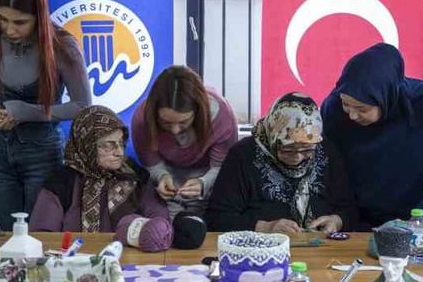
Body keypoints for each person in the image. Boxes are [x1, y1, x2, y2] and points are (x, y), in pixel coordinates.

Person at [0, 0, 91, 226]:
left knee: (40, 232)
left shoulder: (62, 45)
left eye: (20, 22)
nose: (9, 29)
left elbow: (82, 105)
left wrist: (28, 112)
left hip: (42, 152)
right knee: (6, 231)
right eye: (2, 19)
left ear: (39, 17)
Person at [321, 44, 423, 229]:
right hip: (357, 224)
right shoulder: (334, 108)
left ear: (386, 97)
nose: (351, 115)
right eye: (346, 105)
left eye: (362, 109)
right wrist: (339, 216)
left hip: (417, 222)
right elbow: (326, 170)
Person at [206, 93, 356, 234]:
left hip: (320, 247)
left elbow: (349, 209)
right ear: (273, 137)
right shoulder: (244, 155)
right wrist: (265, 227)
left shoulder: (327, 152)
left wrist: (337, 221)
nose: (297, 157)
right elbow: (217, 218)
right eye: (288, 149)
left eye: (307, 150)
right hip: (262, 250)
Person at [31, 105, 168, 233]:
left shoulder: (135, 175)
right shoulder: (61, 181)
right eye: (109, 145)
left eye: (121, 143)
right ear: (87, 145)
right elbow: (42, 235)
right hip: (73, 257)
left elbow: (161, 222)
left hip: (130, 256)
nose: (119, 152)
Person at [129, 66, 238, 218]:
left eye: (184, 122)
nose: (175, 130)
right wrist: (162, 176)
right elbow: (151, 165)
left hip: (211, 176)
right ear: (154, 114)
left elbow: (223, 167)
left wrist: (203, 183)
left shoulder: (221, 116)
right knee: (163, 221)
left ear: (198, 112)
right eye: (165, 123)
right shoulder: (142, 119)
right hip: (167, 178)